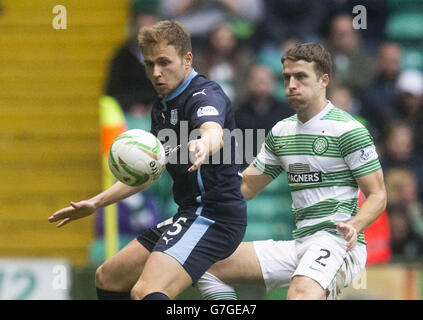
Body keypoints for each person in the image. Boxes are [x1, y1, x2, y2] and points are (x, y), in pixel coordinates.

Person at [48, 20, 247, 300]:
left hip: (215, 217)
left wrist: (204, 143)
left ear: (187, 59)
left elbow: (212, 129)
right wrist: (95, 203)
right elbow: (149, 173)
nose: (156, 72)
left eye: (164, 62)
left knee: (146, 292)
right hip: (189, 214)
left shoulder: (205, 94)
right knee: (109, 277)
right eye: (149, 64)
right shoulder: (162, 107)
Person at [197, 42, 387, 300]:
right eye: (287, 77)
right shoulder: (281, 132)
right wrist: (201, 190)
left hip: (338, 242)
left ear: (323, 80)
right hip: (300, 244)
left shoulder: (348, 130)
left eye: (301, 77)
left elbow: (378, 195)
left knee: (299, 294)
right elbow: (246, 187)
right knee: (204, 262)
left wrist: (355, 225)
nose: (291, 84)